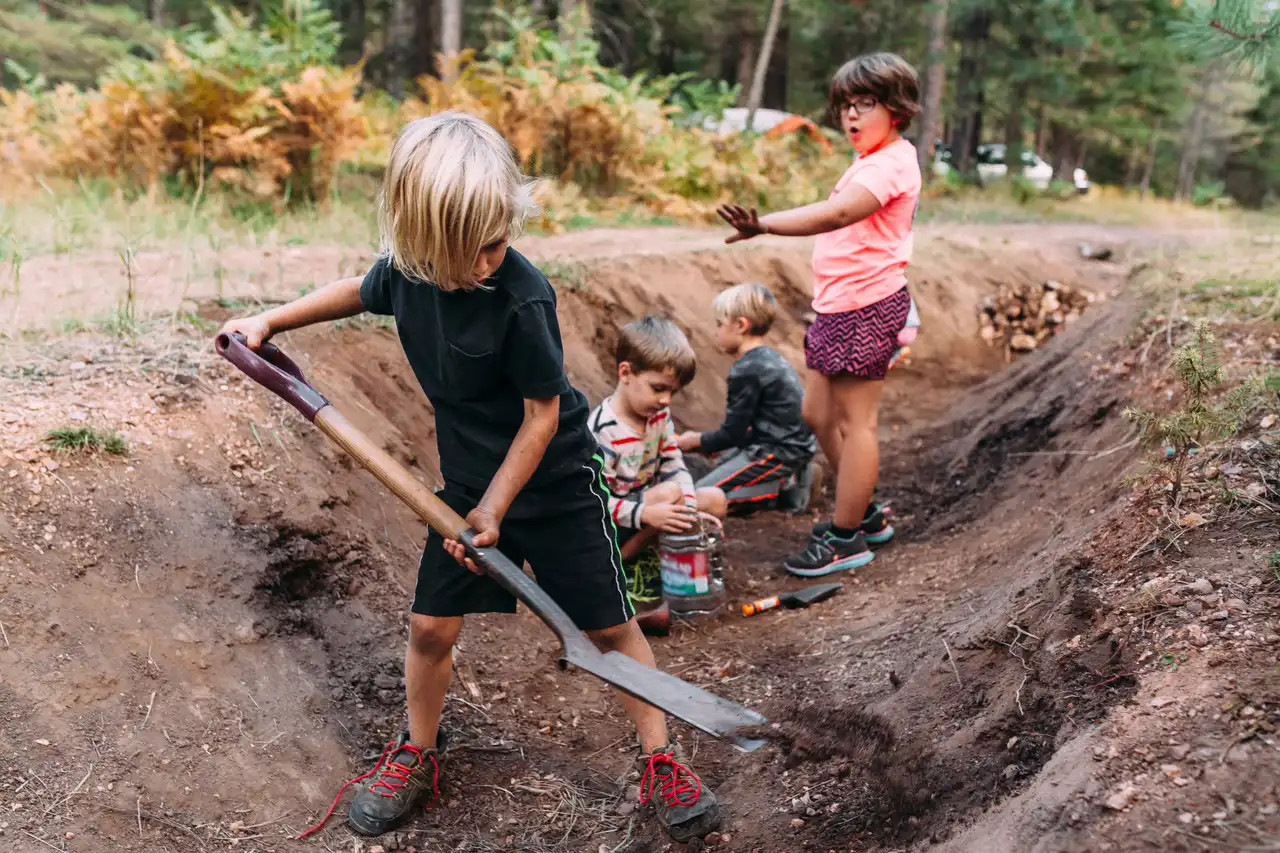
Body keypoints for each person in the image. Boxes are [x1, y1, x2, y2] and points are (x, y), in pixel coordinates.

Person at [217, 112, 720, 844]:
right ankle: (419, 751)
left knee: (610, 627)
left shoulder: (522, 295)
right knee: (429, 627)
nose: (490, 256)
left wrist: (494, 509)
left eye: (498, 238)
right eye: (474, 246)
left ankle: (661, 758)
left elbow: (543, 416)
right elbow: (356, 289)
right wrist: (271, 322)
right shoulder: (409, 276)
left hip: (552, 487)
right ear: (424, 239)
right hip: (465, 485)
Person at [716, 52, 920, 578]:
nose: (852, 116)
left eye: (866, 104)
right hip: (837, 307)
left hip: (867, 306)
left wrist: (766, 225)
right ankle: (864, 509)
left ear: (896, 107)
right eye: (846, 106)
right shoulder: (868, 159)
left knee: (858, 424)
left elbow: (838, 213)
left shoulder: (894, 161)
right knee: (817, 415)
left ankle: (847, 536)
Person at [589, 316, 727, 570]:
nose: (666, 400)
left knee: (714, 499)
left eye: (672, 392)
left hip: (651, 509)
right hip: (610, 526)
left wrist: (688, 507)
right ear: (626, 372)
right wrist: (645, 514)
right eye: (658, 388)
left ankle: (662, 548)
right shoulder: (604, 430)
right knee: (670, 493)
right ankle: (623, 561)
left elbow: (673, 465)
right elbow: (593, 501)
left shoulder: (658, 416)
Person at [675, 282, 817, 514]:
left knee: (702, 496)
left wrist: (696, 441)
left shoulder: (746, 370)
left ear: (740, 325)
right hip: (792, 443)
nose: (716, 332)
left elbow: (734, 433)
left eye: (720, 324)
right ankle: (796, 476)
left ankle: (783, 488)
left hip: (777, 451)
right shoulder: (770, 358)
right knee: (722, 462)